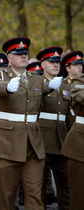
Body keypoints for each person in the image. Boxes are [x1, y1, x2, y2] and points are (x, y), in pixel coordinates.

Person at [0, 37, 63, 210]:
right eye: (18, 54)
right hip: (7, 143)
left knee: (35, 195)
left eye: (25, 53)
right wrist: (6, 87)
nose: (23, 56)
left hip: (32, 145)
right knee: (6, 196)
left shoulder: (36, 78)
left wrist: (51, 85)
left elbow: (45, 88)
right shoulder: (1, 75)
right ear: (9, 57)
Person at [36, 47, 70, 209]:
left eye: (58, 62)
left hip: (62, 141)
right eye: (52, 62)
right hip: (42, 141)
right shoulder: (36, 83)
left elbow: (69, 115)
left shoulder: (65, 85)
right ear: (42, 64)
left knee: (66, 186)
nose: (56, 65)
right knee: (39, 187)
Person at [61, 51, 84, 210]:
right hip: (79, 144)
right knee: (78, 195)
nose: (79, 67)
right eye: (75, 64)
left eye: (80, 64)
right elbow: (79, 96)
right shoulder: (77, 81)